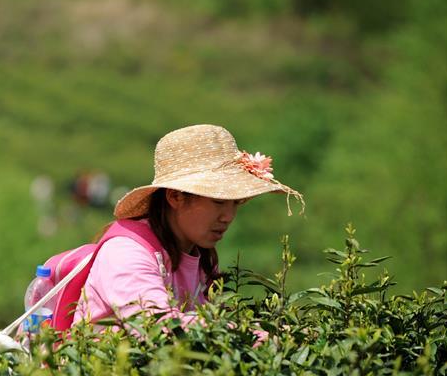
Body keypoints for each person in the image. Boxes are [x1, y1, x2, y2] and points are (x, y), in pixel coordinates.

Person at [71, 124, 304, 341]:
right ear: (175, 197)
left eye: (236, 202)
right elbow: (157, 328)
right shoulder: (127, 252)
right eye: (218, 201)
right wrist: (259, 336)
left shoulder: (199, 255)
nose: (229, 216)